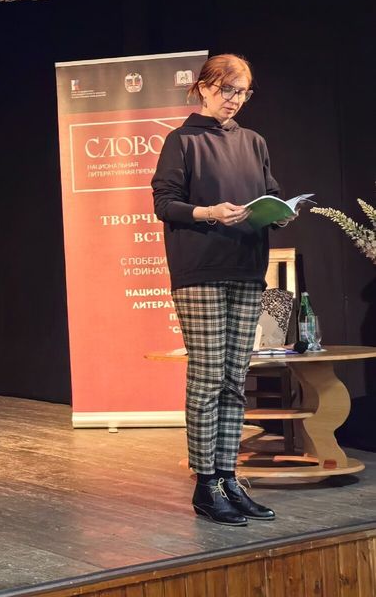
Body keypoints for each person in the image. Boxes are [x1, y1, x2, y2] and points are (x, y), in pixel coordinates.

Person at [151, 53, 289, 526]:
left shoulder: (254, 142)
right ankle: (205, 483)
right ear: (204, 87)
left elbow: (270, 191)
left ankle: (229, 478)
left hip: (247, 268)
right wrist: (209, 213)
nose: (234, 99)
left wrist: (281, 211)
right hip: (201, 270)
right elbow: (164, 204)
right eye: (227, 89)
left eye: (242, 92)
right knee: (208, 377)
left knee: (234, 379)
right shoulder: (182, 140)